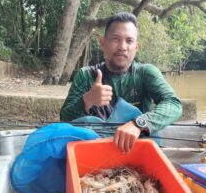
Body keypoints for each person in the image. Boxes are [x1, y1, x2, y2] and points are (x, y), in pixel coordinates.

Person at [60, 12, 182, 153]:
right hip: (95, 150)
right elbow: (65, 117)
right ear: (103, 43)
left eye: (129, 41)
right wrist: (87, 100)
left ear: (136, 47)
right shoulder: (86, 75)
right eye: (116, 39)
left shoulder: (145, 73)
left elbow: (173, 104)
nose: (122, 47)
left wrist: (139, 123)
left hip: (137, 150)